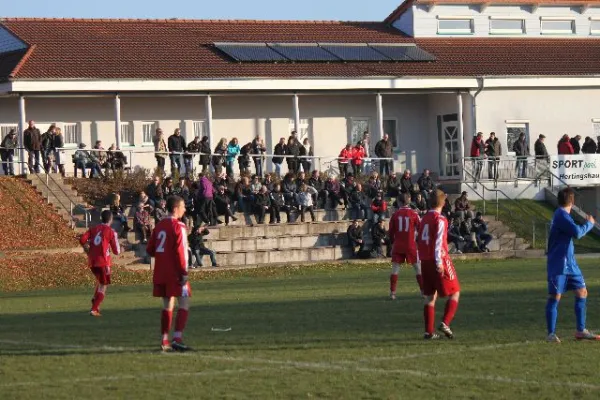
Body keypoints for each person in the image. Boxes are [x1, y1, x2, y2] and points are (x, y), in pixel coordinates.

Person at [545, 188, 599, 343]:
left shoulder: (562, 215)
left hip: (570, 263)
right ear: (572, 201)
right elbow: (577, 232)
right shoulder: (561, 215)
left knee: (582, 292)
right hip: (558, 264)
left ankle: (581, 330)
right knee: (555, 296)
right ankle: (551, 334)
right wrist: (589, 224)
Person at [146, 196, 192, 352]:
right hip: (175, 272)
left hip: (161, 271)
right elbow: (181, 252)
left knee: (167, 304)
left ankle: (164, 340)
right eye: (183, 206)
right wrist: (184, 272)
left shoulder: (159, 226)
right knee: (184, 302)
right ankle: (177, 338)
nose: (184, 209)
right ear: (175, 208)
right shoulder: (179, 226)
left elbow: (150, 249)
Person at [417, 189, 460, 340]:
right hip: (438, 259)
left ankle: (429, 332)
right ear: (443, 202)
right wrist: (439, 262)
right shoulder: (440, 219)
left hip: (425, 261)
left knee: (430, 296)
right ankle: (445, 323)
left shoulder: (424, 219)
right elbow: (438, 242)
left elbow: (420, 240)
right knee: (455, 291)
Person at [79, 210, 120, 317]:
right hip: (104, 262)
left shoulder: (94, 229)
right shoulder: (111, 232)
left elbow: (83, 239)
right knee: (104, 285)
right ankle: (94, 309)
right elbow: (116, 251)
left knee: (100, 281)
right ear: (110, 219)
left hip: (92, 261)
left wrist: (86, 247)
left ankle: (95, 300)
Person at [388, 193, 423, 300]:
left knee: (395, 270)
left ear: (399, 202)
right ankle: (424, 292)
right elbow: (421, 228)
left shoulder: (395, 215)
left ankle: (393, 293)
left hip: (398, 245)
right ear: (408, 201)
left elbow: (390, 233)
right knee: (418, 269)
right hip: (410, 245)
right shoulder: (414, 214)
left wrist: (393, 242)